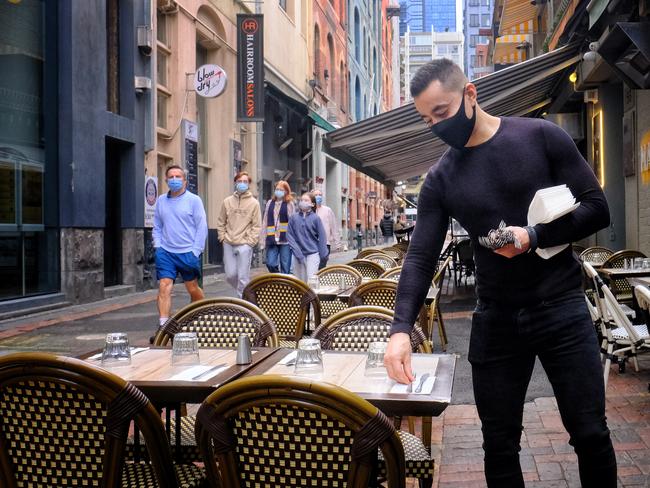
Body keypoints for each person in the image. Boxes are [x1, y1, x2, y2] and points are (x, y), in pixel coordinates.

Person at [383, 59, 616, 487]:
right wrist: (400, 328)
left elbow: (597, 208)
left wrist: (533, 235)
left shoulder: (541, 136)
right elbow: (419, 257)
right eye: (426, 119)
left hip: (561, 306)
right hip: (496, 318)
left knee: (590, 433)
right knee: (498, 443)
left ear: (470, 95)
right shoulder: (440, 179)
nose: (436, 126)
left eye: (442, 112)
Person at [153, 165, 207, 330]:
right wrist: (158, 246)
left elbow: (202, 227)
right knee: (164, 285)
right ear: (166, 180)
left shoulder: (194, 200)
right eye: (171, 177)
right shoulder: (161, 200)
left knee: (192, 288)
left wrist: (195, 251)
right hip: (166, 252)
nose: (174, 180)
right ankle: (164, 326)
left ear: (185, 180)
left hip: (188, 252)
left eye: (178, 177)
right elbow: (157, 226)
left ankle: (200, 317)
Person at [216, 171, 261, 297]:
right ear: (235, 183)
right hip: (228, 242)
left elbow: (257, 225)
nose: (242, 184)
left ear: (249, 184)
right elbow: (221, 221)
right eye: (239, 181)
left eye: (245, 182)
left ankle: (244, 302)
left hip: (245, 244)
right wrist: (222, 237)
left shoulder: (254, 203)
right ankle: (248, 292)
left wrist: (250, 242)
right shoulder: (227, 201)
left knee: (243, 276)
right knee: (230, 275)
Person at [287, 192, 328, 283]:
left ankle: (312, 297)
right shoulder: (293, 218)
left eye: (306, 200)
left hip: (312, 254)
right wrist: (297, 253)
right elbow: (289, 235)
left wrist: (323, 255)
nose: (303, 202)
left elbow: (322, 237)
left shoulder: (316, 218)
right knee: (299, 282)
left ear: (312, 204)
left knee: (311, 281)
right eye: (301, 200)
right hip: (297, 255)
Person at [260, 180, 295, 274]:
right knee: (270, 263)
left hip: (285, 240)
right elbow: (265, 221)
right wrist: (262, 240)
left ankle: (284, 284)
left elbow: (293, 222)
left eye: (281, 189)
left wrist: (294, 240)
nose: (278, 191)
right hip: (272, 239)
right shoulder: (270, 203)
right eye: (277, 189)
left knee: (285, 267)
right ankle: (278, 277)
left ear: (286, 191)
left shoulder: (289, 204)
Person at [312, 189, 341, 269]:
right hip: (312, 242)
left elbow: (334, 226)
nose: (318, 197)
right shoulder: (309, 211)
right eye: (316, 195)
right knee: (314, 263)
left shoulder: (327, 210)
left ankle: (319, 277)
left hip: (325, 242)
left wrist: (337, 243)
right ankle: (314, 278)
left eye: (320, 195)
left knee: (323, 261)